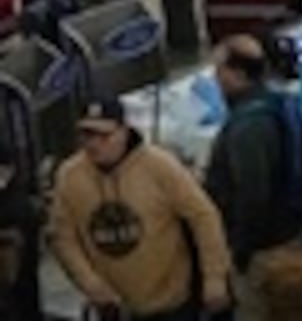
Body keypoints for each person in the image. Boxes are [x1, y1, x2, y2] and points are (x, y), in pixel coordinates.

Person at [47, 95, 233, 321]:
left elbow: (203, 217)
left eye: (104, 135)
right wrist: (91, 284)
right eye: (87, 135)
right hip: (115, 307)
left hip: (171, 303)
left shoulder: (160, 166)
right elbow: (63, 237)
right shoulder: (70, 176)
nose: (94, 144)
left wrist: (214, 277)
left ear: (124, 132)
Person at [204, 37, 302, 321]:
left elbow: (253, 194)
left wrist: (240, 252)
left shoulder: (248, 127)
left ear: (237, 74)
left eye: (219, 70)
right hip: (285, 231)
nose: (215, 78)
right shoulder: (274, 103)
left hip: (263, 249)